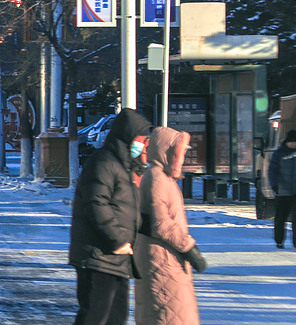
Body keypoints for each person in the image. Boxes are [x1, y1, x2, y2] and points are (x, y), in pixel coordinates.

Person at [69, 109, 153, 325]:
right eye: (141, 140)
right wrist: (117, 240)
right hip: (99, 255)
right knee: (95, 317)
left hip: (115, 257)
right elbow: (96, 203)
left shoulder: (124, 167)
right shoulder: (104, 162)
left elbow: (126, 209)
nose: (144, 145)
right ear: (128, 136)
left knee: (116, 318)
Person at [135, 126, 204, 325]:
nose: (182, 157)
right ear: (167, 151)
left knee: (172, 314)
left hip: (166, 258)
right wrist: (188, 247)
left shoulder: (163, 178)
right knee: (168, 316)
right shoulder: (157, 178)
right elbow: (160, 222)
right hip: (162, 260)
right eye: (180, 152)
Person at [268, 129, 296, 250]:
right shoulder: (279, 154)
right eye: (291, 142)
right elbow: (272, 170)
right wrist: (274, 185)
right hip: (282, 190)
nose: (293, 144)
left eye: (295, 142)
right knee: (281, 217)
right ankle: (279, 240)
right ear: (287, 142)